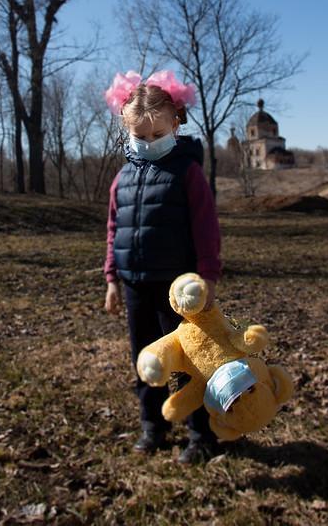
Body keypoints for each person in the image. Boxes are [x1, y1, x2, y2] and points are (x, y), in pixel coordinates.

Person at [103, 69, 222, 464]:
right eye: (140, 136)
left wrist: (208, 275)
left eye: (157, 135)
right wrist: (111, 279)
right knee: (146, 360)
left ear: (176, 123)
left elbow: (206, 226)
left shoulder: (187, 172)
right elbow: (113, 228)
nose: (148, 143)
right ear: (126, 129)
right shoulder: (121, 179)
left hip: (179, 287)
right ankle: (152, 425)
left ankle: (200, 433)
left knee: (188, 358)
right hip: (135, 283)